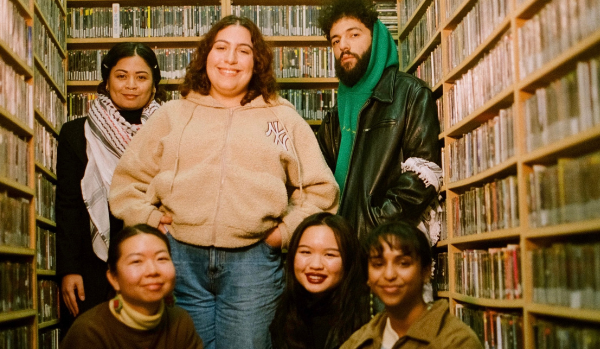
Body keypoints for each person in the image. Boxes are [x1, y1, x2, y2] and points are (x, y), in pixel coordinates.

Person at [108, 15, 339, 349]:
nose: (230, 59)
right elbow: (126, 182)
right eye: (221, 48)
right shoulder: (172, 114)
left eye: (243, 51)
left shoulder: (283, 117)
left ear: (256, 62)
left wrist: (283, 234)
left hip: (254, 265)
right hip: (180, 260)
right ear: (206, 56)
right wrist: (151, 220)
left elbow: (322, 192)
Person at [56, 42, 163, 335]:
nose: (131, 85)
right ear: (107, 80)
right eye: (121, 75)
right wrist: (68, 269)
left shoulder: (170, 133)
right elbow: (67, 206)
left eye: (141, 77)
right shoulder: (76, 134)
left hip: (152, 257)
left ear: (154, 84)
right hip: (92, 265)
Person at [316, 0, 443, 242]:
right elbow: (317, 181)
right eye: (335, 40)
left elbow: (424, 174)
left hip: (385, 246)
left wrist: (375, 224)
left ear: (376, 38)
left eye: (353, 34)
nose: (343, 45)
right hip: (339, 246)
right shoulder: (334, 117)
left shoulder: (410, 94)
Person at [341, 220, 482, 349]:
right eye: (378, 264)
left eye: (403, 263)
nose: (389, 275)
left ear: (426, 271)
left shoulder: (456, 341)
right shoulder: (359, 341)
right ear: (368, 277)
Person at [61, 224, 203, 349]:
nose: (152, 270)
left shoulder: (180, 321)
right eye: (136, 261)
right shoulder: (89, 331)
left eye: (162, 258)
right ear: (114, 278)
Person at [270, 212, 370, 349]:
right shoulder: (286, 311)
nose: (316, 265)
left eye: (329, 254)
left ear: (349, 261)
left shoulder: (370, 313)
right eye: (305, 252)